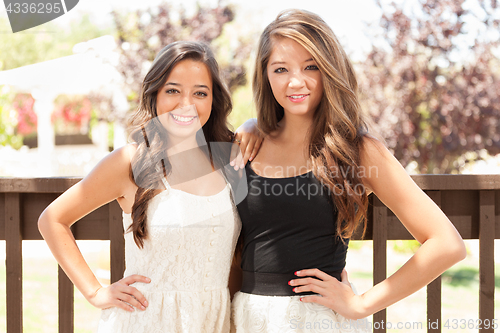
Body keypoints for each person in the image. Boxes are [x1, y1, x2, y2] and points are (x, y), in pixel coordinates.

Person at [230, 9, 466, 333]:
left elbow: (446, 243)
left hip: (316, 320)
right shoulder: (247, 144)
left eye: (310, 66)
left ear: (330, 69)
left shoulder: (358, 149)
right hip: (246, 318)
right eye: (280, 69)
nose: (295, 81)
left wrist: (361, 304)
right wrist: (251, 123)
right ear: (266, 75)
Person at [38, 41, 262, 333]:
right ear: (154, 93)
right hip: (146, 320)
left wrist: (254, 123)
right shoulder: (130, 161)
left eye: (200, 93)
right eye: (172, 90)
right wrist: (95, 292)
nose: (186, 104)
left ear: (213, 100)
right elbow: (52, 220)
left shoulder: (228, 157)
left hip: (214, 322)